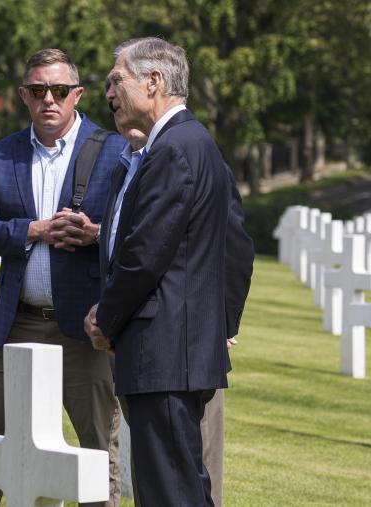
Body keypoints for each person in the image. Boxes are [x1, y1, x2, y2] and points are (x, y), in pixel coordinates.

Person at [84, 37, 253, 506]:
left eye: (116, 80)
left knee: (170, 492)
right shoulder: (192, 144)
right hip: (176, 350)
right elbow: (235, 244)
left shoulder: (175, 149)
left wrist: (105, 319)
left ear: (153, 82)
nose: (110, 94)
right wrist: (217, 325)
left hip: (164, 354)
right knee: (175, 487)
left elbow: (145, 255)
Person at [0, 48, 127, 507]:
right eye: (37, 91)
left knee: (94, 445)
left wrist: (96, 235)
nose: (48, 99)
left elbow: (136, 232)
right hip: (21, 323)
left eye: (58, 90)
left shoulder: (115, 151)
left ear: (77, 95)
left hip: (86, 324)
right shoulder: (0, 155)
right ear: (23, 96)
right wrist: (33, 229)